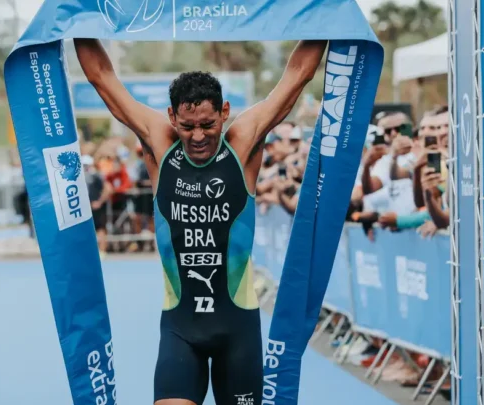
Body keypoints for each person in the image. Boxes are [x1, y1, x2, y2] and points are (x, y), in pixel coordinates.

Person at [75, 38, 326, 405]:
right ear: (172, 116)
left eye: (208, 124)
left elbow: (297, 75)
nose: (197, 136)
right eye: (187, 125)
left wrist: (325, 16)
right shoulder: (160, 144)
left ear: (224, 112)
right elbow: (101, 76)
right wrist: (76, 17)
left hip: (237, 331)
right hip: (181, 330)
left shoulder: (242, 143)